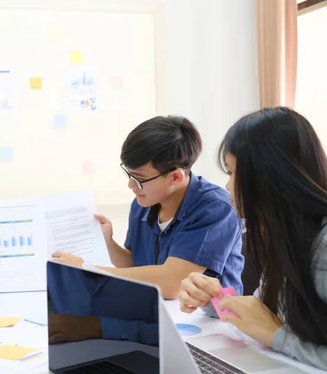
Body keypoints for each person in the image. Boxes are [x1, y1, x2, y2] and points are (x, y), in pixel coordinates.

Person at [180, 107, 327, 374]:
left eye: (232, 172)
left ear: (270, 176)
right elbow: (263, 314)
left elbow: (272, 328)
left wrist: (278, 337)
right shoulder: (286, 238)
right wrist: (213, 299)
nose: (227, 186)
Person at [53, 116, 244, 300]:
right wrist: (108, 243)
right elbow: (134, 265)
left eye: (139, 178)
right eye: (128, 174)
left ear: (176, 177)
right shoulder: (143, 202)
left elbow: (172, 284)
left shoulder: (215, 208)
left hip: (211, 323)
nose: (131, 184)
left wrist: (87, 270)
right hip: (156, 311)